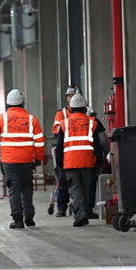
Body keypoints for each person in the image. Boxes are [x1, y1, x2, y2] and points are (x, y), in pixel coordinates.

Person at [0, 89, 45, 229]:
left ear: (8, 103)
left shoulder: (2, 119)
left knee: (14, 189)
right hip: (26, 161)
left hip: (9, 161)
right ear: (22, 103)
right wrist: (38, 158)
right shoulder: (31, 119)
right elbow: (40, 141)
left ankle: (18, 220)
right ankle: (29, 217)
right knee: (27, 188)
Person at [54, 94, 104, 227]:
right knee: (85, 188)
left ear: (71, 108)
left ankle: (81, 214)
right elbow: (97, 146)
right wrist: (99, 162)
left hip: (70, 163)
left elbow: (59, 147)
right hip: (87, 162)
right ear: (84, 108)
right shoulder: (91, 123)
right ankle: (84, 212)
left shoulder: (64, 124)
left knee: (75, 189)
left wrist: (60, 164)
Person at [50, 84, 81, 217]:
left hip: (78, 150)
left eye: (72, 95)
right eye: (68, 96)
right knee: (62, 180)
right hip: (65, 151)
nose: (70, 98)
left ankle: (81, 207)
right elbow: (56, 129)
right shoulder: (60, 114)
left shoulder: (86, 111)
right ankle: (61, 207)